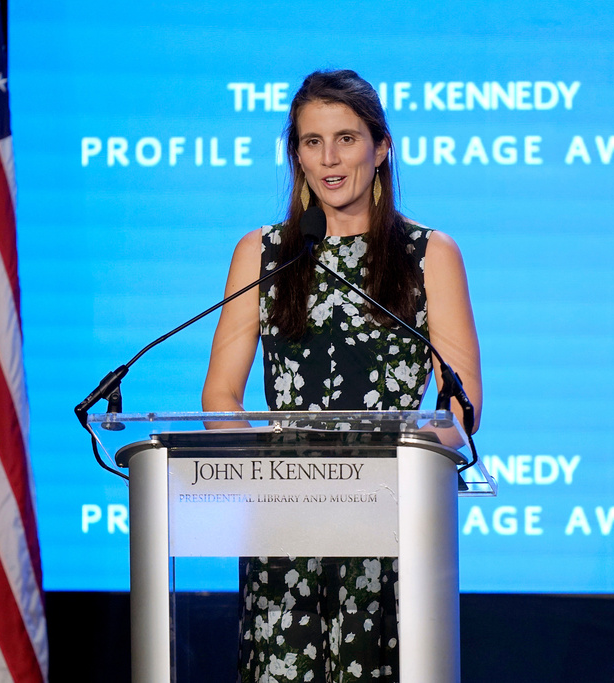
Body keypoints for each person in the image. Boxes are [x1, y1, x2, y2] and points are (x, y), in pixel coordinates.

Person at [201, 69, 482, 682]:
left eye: (347, 139)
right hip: (284, 521)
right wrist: (277, 472)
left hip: (389, 526)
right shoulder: (264, 253)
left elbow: (460, 404)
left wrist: (390, 472)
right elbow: (221, 394)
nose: (329, 159)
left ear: (381, 148)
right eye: (311, 141)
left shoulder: (428, 254)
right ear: (296, 154)